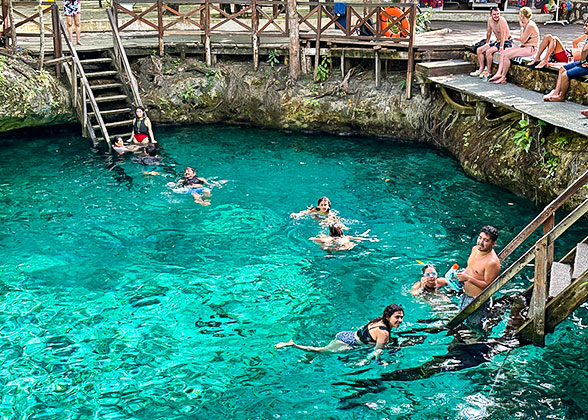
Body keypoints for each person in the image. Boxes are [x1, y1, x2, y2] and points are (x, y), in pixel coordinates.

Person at [274, 304, 404, 365]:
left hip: (346, 334)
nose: (400, 320)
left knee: (323, 349)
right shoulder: (383, 332)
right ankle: (292, 345)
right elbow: (377, 352)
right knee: (321, 350)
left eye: (402, 317)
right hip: (348, 343)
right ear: (388, 316)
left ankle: (307, 357)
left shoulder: (379, 320)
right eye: (397, 317)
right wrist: (377, 362)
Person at [456, 226, 501, 327]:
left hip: (478, 302)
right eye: (480, 238)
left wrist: (468, 278)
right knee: (462, 324)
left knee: (474, 328)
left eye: (486, 240)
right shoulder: (475, 249)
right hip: (465, 296)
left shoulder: (492, 262)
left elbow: (489, 286)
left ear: (493, 244)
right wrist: (458, 277)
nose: (481, 242)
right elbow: (469, 268)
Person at [489, 7, 538, 84]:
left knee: (507, 56)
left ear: (522, 16)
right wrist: (514, 38)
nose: (518, 16)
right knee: (504, 52)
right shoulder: (526, 24)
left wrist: (521, 28)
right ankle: (498, 73)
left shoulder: (530, 25)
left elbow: (523, 40)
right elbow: (523, 40)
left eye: (520, 15)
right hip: (525, 46)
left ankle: (503, 76)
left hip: (531, 48)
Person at [543, 20, 588, 102]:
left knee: (565, 75)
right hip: (582, 62)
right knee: (562, 69)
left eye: (587, 26)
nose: (584, 27)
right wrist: (582, 61)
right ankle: (556, 92)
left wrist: (583, 61)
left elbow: (585, 50)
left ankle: (561, 96)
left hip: (585, 65)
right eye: (584, 25)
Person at [470, 7, 512, 79]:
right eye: (494, 14)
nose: (496, 16)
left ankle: (488, 71)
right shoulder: (490, 20)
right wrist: (487, 42)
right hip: (497, 41)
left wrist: (501, 46)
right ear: (491, 15)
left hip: (505, 42)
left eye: (498, 14)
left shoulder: (502, 20)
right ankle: (481, 69)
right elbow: (489, 32)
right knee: (479, 50)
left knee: (488, 51)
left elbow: (503, 34)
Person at [309, 224, 378, 251]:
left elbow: (321, 240)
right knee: (349, 244)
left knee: (322, 247)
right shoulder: (346, 237)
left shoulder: (330, 238)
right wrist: (370, 239)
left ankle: (329, 254)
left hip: (338, 248)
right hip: (348, 246)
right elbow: (358, 238)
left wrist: (312, 238)